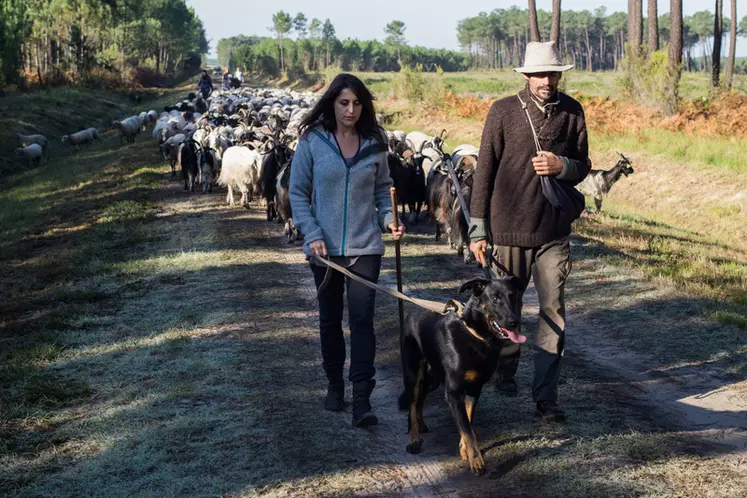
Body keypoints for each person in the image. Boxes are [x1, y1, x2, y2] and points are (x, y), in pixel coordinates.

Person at [468, 41, 590, 423]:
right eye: (539, 74)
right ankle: (505, 370)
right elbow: (484, 171)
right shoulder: (503, 111)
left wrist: (562, 165)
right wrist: (477, 230)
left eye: (552, 74)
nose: (546, 81)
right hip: (506, 233)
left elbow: (584, 165)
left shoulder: (572, 112)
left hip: (553, 231)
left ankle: (546, 398)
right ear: (526, 76)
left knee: (553, 311)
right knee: (507, 311)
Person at [289, 73, 405, 428]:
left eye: (356, 103)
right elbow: (297, 194)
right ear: (332, 104)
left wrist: (390, 220)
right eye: (344, 103)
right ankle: (334, 384)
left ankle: (362, 401)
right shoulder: (312, 142)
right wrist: (311, 233)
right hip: (323, 250)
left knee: (362, 322)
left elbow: (383, 190)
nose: (351, 110)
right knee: (329, 321)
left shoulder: (375, 142)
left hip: (365, 247)